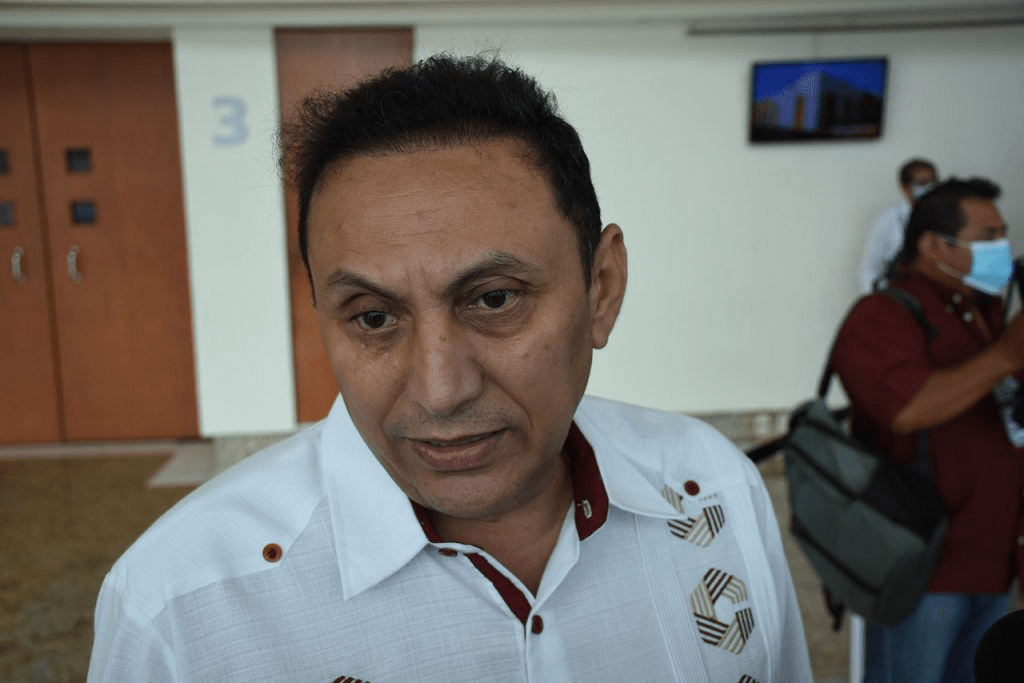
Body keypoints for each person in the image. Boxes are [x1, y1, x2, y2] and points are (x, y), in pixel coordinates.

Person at [87, 54, 812, 682]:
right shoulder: (183, 606)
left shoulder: (710, 490)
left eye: (494, 299)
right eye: (374, 317)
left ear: (602, 288)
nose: (440, 390)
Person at [833, 177, 1024, 683]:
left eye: (1003, 233)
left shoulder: (982, 312)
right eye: (988, 236)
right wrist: (1006, 354)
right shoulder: (883, 315)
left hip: (994, 559)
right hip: (924, 571)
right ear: (935, 245)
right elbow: (906, 409)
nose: (1002, 247)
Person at [858, 158, 938, 293]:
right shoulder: (887, 219)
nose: (929, 188)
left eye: (933, 182)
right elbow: (868, 270)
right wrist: (877, 300)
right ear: (905, 188)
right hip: (901, 291)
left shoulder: (947, 215)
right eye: (922, 183)